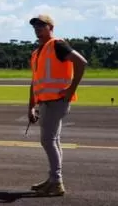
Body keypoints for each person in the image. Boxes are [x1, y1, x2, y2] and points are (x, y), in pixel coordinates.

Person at [27, 14, 87, 196]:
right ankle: (53, 179)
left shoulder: (57, 45)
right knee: (54, 140)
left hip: (57, 101)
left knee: (48, 140)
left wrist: (71, 89)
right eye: (35, 26)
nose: (37, 29)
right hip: (45, 101)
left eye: (41, 25)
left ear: (50, 27)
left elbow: (81, 62)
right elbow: (35, 81)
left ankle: (57, 182)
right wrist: (31, 106)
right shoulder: (38, 52)